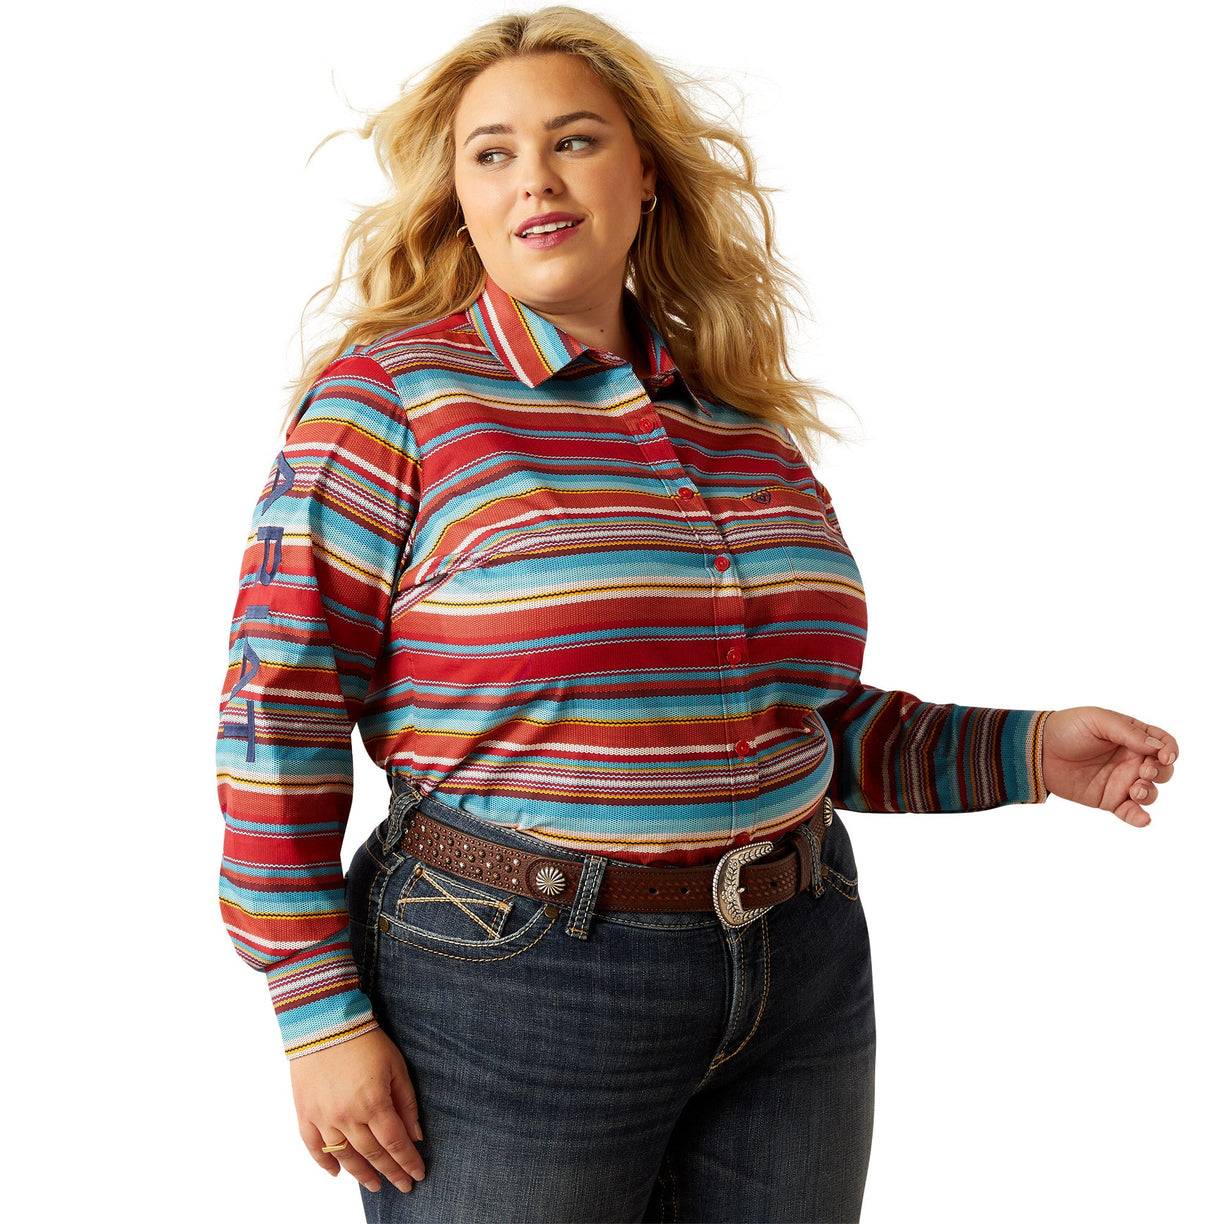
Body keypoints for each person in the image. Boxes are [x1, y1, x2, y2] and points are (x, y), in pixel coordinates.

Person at [215, 7, 1178, 1222]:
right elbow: (279, 708)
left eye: (575, 139)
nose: (536, 178)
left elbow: (798, 723)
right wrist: (315, 1008)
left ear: (646, 176)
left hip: (802, 971)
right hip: (509, 986)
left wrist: (1028, 750)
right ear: (458, 198)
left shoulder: (744, 437)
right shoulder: (390, 403)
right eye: (492, 153)